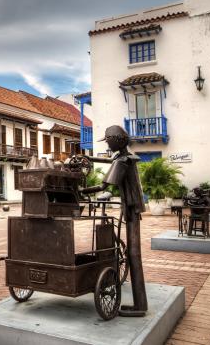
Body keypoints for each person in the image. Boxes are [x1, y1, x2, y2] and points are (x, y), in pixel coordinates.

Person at [81, 125, 148, 317]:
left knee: (134, 255)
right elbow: (107, 160)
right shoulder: (125, 156)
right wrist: (89, 159)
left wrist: (81, 192)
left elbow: (103, 185)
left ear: (115, 140)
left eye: (108, 140)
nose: (107, 143)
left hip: (131, 208)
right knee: (134, 255)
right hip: (132, 206)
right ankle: (139, 303)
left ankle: (140, 305)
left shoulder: (122, 161)